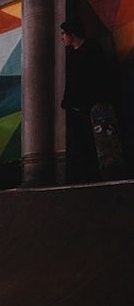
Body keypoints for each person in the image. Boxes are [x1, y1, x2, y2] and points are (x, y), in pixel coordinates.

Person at [60, 18, 116, 183]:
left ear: (72, 34)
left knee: (97, 143)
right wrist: (67, 102)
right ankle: (85, 178)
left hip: (92, 106)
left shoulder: (92, 47)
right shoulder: (70, 54)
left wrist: (102, 98)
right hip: (75, 107)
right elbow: (70, 81)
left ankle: (99, 177)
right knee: (80, 144)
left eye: (64, 34)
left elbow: (102, 73)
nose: (62, 37)